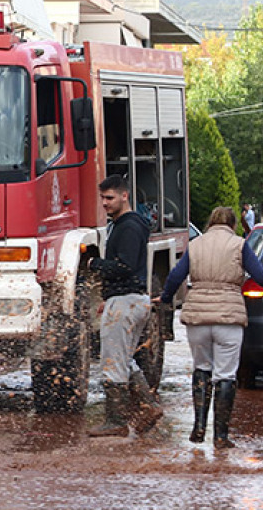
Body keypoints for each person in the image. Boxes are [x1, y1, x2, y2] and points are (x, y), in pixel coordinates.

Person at [156, 206, 263, 449]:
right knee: (225, 374)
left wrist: (165, 298)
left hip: (198, 317)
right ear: (233, 223)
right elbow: (259, 274)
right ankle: (221, 436)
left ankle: (199, 426)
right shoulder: (239, 245)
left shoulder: (196, 245)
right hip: (229, 318)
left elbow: (176, 276)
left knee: (201, 368)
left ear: (211, 222)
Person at [87, 175, 163, 438]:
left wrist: (93, 264)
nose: (105, 203)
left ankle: (116, 420)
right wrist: (109, 297)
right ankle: (149, 407)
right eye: (102, 198)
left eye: (109, 198)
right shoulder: (127, 224)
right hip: (130, 300)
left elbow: (125, 266)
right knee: (124, 360)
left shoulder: (128, 227)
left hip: (127, 302)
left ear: (124, 196)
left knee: (112, 362)